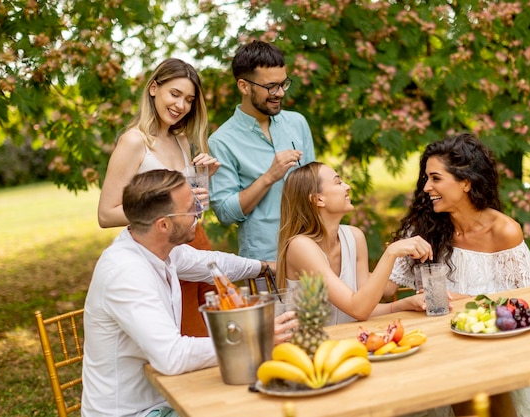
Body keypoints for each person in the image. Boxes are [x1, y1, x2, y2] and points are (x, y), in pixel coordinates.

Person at [82, 169, 297, 417]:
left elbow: (214, 264)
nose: (198, 212)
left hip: (167, 395)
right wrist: (255, 340)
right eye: (190, 207)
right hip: (135, 412)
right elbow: (172, 357)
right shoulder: (126, 272)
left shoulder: (159, 248)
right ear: (163, 225)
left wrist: (267, 267)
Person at [386, 133, 530, 417]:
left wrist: (466, 300)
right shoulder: (424, 228)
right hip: (432, 349)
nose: (426, 187)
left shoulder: (504, 232)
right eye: (426, 179)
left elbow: (527, 307)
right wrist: (391, 253)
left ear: (466, 183)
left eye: (435, 178)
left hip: (490, 353)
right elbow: (383, 292)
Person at [97, 58, 220, 337]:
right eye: (174, 94)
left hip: (194, 243)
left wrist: (203, 183)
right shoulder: (134, 142)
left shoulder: (181, 140)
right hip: (161, 252)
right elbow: (106, 214)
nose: (181, 106)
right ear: (154, 88)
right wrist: (164, 211)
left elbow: (189, 210)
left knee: (218, 329)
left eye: (188, 100)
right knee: (187, 334)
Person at [275, 161, 432, 325]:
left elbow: (365, 307)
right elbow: (358, 309)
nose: (347, 186)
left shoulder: (354, 237)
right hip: (309, 348)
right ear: (318, 199)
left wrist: (404, 304)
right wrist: (391, 252)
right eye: (338, 182)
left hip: (348, 341)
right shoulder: (300, 246)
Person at [208, 40, 315, 263]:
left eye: (283, 84)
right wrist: (269, 177)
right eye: (270, 87)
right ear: (244, 86)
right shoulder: (222, 141)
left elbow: (315, 187)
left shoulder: (297, 123)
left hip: (314, 251)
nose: (279, 93)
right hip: (266, 262)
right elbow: (225, 213)